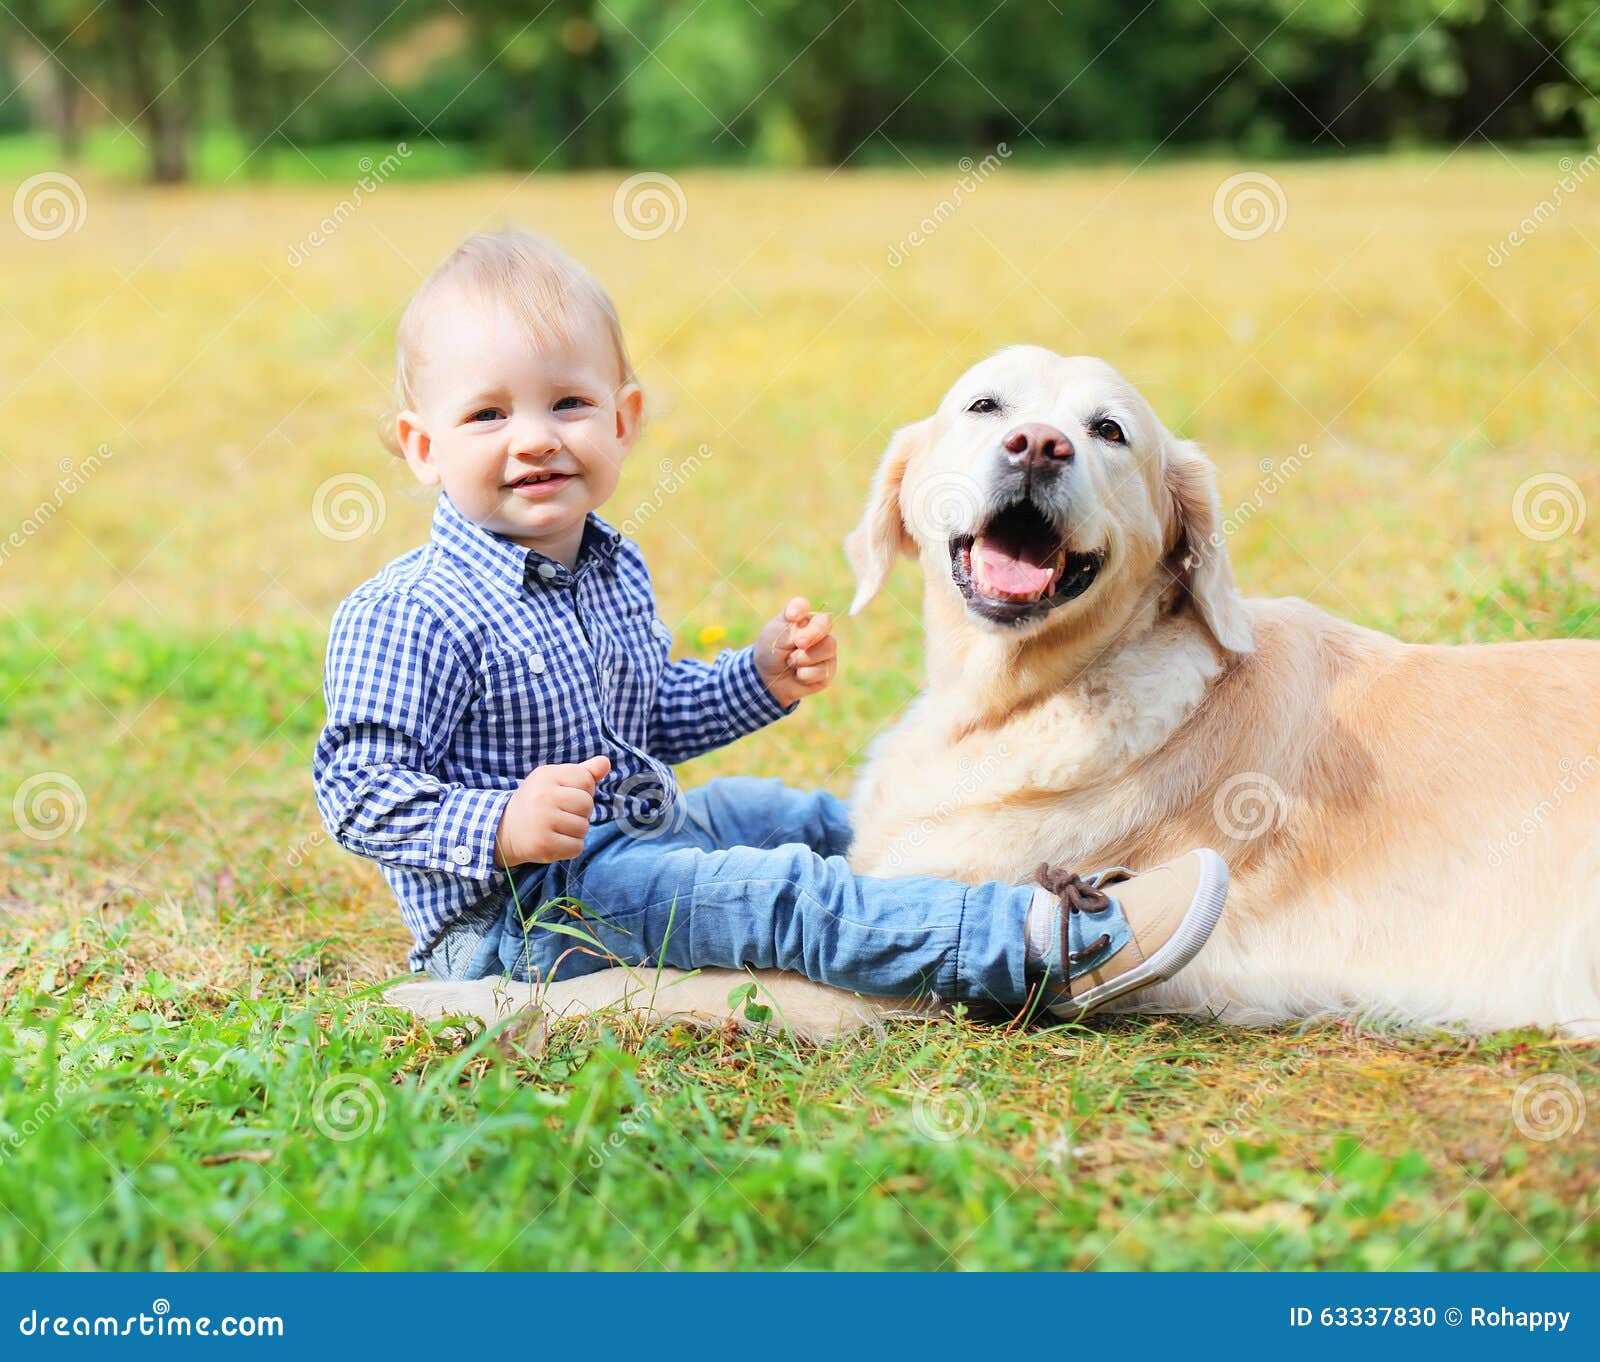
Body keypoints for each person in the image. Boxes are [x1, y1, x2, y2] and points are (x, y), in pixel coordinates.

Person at [311, 229, 1229, 1022]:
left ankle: (970, 870)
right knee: (779, 900)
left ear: (624, 422)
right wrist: (499, 823)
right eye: (487, 415)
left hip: (631, 836)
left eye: (569, 404)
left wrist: (756, 677)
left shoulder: (606, 563)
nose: (535, 438)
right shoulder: (407, 614)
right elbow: (354, 791)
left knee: (786, 815)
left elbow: (651, 713)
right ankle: (1044, 947)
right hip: (519, 913)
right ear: (424, 448)